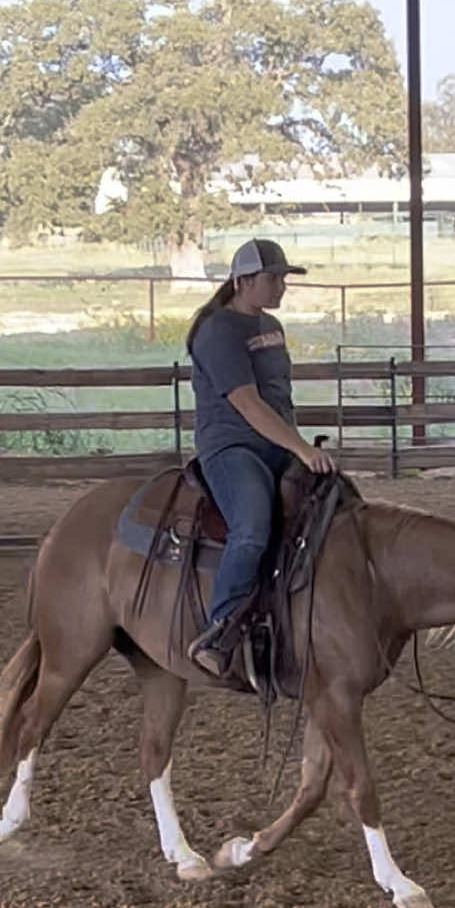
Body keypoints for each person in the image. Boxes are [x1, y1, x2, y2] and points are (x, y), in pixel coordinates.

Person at [184, 237, 336, 677]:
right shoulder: (217, 331)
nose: (281, 286)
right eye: (273, 278)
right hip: (232, 445)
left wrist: (295, 444)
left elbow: (277, 396)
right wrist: (302, 449)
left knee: (331, 509)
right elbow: (248, 404)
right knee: (251, 526)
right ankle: (220, 626)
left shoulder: (270, 327)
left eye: (284, 278)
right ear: (244, 281)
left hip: (277, 441)